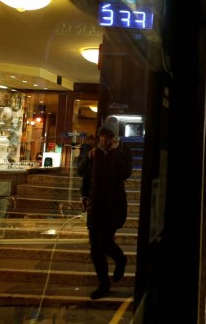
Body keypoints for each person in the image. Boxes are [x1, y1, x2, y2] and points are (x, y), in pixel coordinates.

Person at [78, 116, 133, 299]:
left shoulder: (123, 152)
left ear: (115, 138)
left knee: (104, 242)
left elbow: (125, 173)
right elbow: (82, 173)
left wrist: (115, 153)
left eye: (109, 136)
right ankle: (103, 284)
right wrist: (84, 195)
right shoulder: (93, 152)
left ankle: (120, 259)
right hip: (96, 206)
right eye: (102, 135)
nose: (104, 140)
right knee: (95, 249)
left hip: (113, 206)